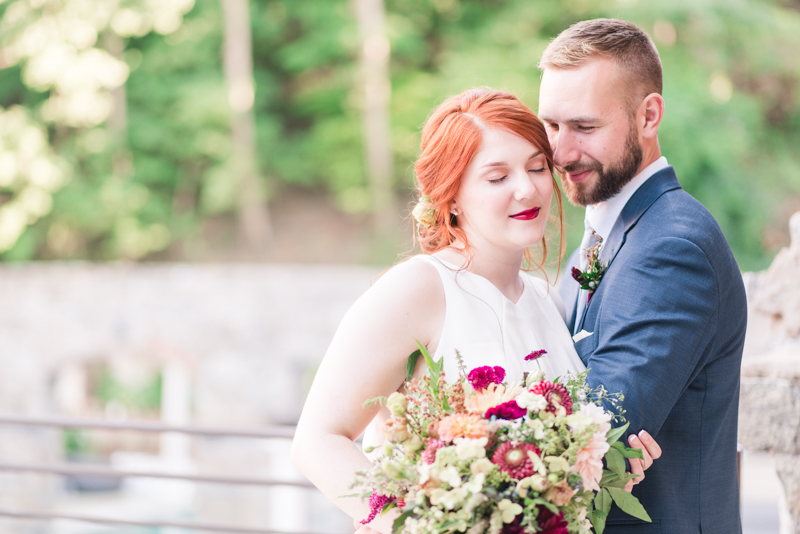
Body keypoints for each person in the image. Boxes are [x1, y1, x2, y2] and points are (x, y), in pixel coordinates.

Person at [291, 88, 660, 533]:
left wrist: (608, 467)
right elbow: (317, 440)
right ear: (452, 196)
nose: (526, 188)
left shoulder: (549, 301)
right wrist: (411, 525)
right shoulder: (418, 289)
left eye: (537, 168)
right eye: (496, 177)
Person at [537, 19, 747, 533]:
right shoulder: (603, 236)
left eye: (584, 128)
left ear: (648, 115)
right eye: (552, 126)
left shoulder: (673, 247)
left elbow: (594, 430)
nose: (561, 153)